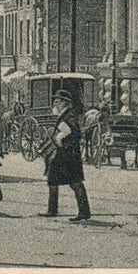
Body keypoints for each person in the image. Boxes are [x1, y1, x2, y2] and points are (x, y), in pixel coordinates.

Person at [44, 89, 91, 222]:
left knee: (75, 183)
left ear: (65, 103)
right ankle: (52, 210)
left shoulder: (69, 116)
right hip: (62, 154)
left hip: (69, 155)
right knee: (52, 180)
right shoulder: (65, 115)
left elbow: (76, 135)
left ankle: (84, 212)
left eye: (57, 102)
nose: (55, 104)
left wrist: (62, 142)